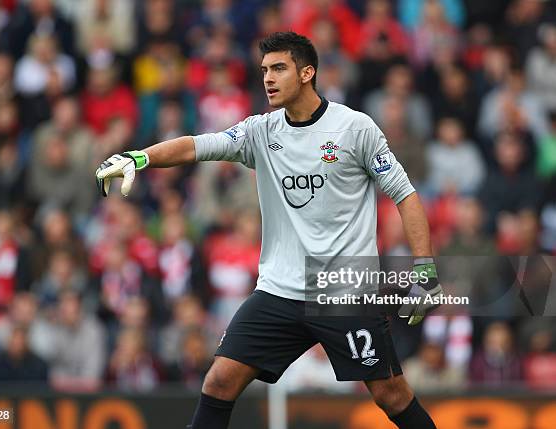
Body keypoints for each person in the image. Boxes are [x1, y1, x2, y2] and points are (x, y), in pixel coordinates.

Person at [96, 31, 442, 429]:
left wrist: (424, 268)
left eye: (279, 68)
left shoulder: (354, 129)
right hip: (279, 290)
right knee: (220, 380)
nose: (268, 78)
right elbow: (196, 145)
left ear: (307, 72)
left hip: (345, 290)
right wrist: (139, 157)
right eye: (264, 70)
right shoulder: (260, 131)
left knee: (391, 394)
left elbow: (406, 196)